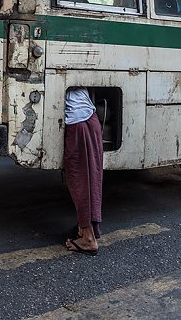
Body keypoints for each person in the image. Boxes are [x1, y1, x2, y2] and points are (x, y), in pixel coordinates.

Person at [64, 87, 103, 256]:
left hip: (77, 124)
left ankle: (88, 238)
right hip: (91, 119)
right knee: (92, 179)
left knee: (79, 180)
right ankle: (88, 228)